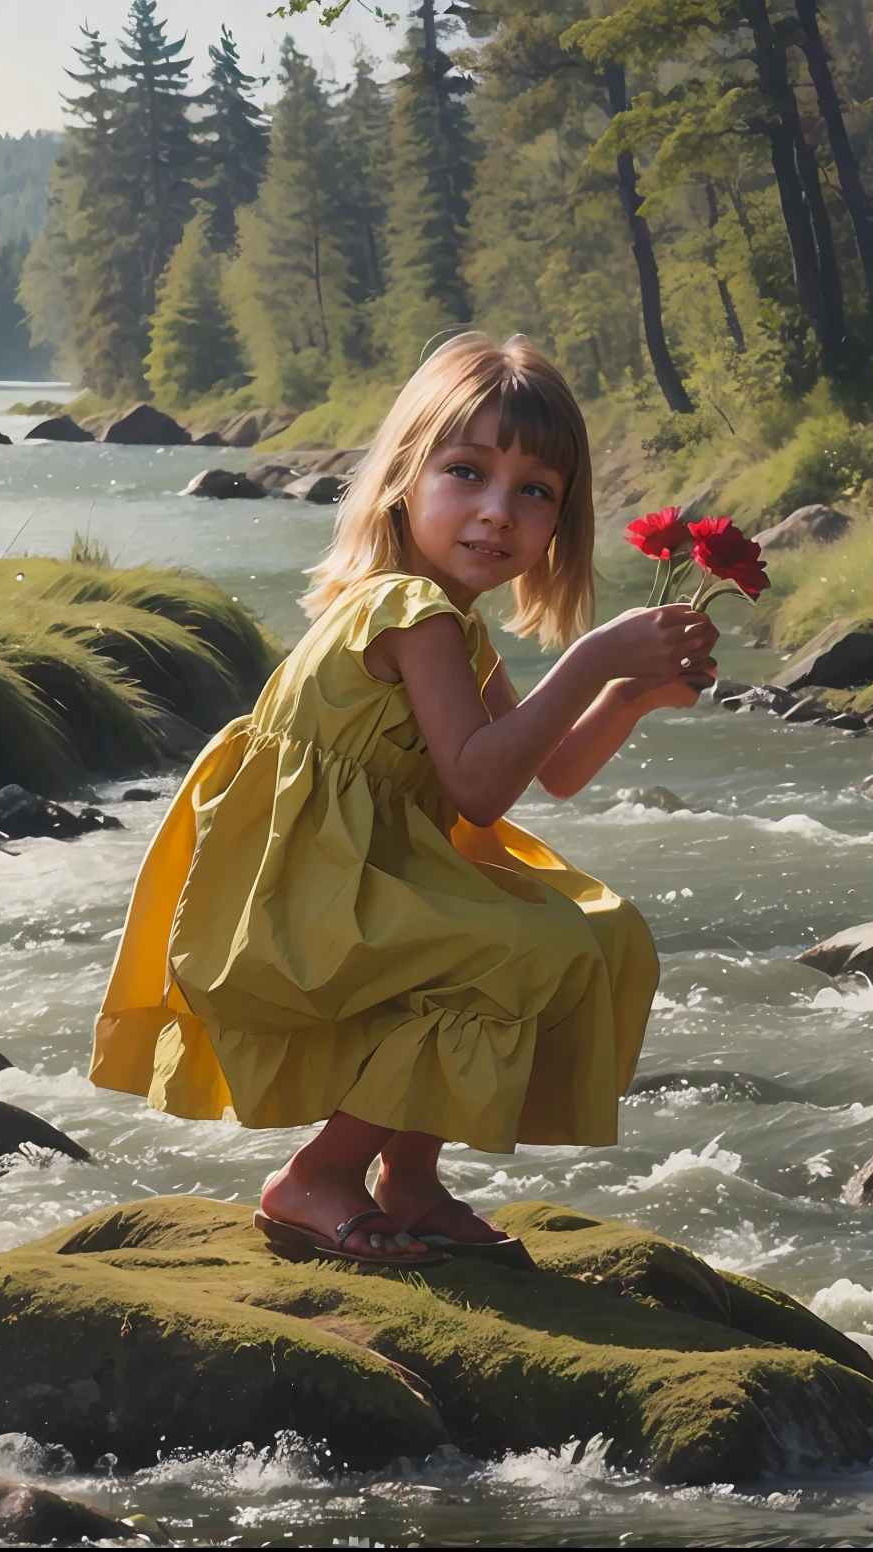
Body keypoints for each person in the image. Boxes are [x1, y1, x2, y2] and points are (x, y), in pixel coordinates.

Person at [94, 332, 719, 1265]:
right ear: (401, 479)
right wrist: (591, 657)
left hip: (373, 866)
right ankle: (319, 1175)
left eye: (534, 492)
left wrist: (630, 696)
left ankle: (412, 1181)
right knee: (518, 946)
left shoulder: (453, 624)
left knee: (599, 928)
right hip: (302, 885)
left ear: (562, 519)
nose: (497, 513)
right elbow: (477, 783)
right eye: (466, 472)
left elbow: (550, 769)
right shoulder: (408, 611)